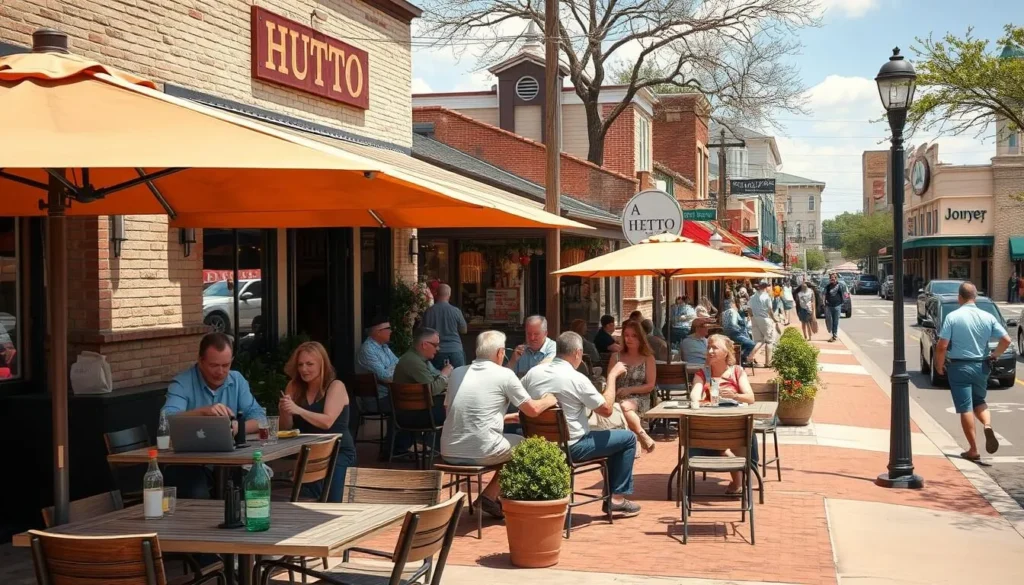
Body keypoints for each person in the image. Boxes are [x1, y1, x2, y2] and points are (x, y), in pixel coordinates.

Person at [441, 330, 558, 518]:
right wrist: (550, 399)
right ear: (500, 352)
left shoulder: (457, 373)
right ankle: (490, 495)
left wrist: (501, 418)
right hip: (480, 451)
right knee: (525, 445)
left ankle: (490, 496)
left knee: (509, 443)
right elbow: (533, 410)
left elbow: (451, 412)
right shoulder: (504, 374)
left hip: (448, 450)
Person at [523, 332, 641, 517]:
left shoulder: (532, 373)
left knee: (608, 436)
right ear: (578, 353)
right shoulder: (576, 378)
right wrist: (612, 377)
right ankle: (616, 498)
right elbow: (606, 409)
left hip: (538, 444)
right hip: (571, 447)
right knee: (627, 439)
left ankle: (612, 495)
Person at [162, 332, 266, 498]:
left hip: (230, 462)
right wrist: (203, 412)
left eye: (226, 365)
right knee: (197, 493)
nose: (220, 371)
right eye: (214, 365)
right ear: (200, 361)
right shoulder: (182, 383)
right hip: (187, 464)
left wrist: (237, 427)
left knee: (255, 488)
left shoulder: (237, 380)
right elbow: (166, 420)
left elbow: (261, 418)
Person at [933, 282, 1012, 461]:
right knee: (979, 401)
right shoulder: (987, 316)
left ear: (959, 297)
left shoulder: (953, 317)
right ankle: (987, 424)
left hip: (959, 366)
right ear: (975, 297)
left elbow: (942, 345)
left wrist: (939, 365)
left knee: (965, 407)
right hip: (981, 365)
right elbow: (1006, 340)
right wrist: (994, 355)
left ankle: (973, 449)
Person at [278, 341, 355, 503]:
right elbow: (286, 427)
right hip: (307, 452)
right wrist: (284, 411)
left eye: (309, 364)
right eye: (300, 364)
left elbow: (327, 421)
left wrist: (298, 410)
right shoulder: (294, 386)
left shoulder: (335, 386)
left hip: (337, 451)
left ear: (322, 364)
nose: (304, 369)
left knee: (333, 501)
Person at [689, 334, 757, 494]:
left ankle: (739, 477)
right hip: (709, 427)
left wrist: (733, 396)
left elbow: (750, 397)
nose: (710, 351)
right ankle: (738, 477)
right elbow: (695, 394)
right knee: (718, 440)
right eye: (709, 348)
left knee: (742, 433)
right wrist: (698, 397)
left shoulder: (737, 372)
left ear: (726, 352)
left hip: (733, 426)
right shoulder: (702, 374)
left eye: (715, 348)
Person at [603, 320, 658, 452]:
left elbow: (650, 385)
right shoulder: (616, 357)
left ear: (640, 337)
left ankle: (641, 435)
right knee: (619, 405)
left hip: (641, 397)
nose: (629, 339)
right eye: (626, 335)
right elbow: (610, 381)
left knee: (624, 406)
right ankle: (637, 437)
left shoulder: (648, 358)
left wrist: (629, 390)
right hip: (618, 396)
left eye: (633, 335)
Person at [356, 316, 406, 457]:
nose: (391, 331)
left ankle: (397, 446)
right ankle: (392, 449)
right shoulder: (368, 350)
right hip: (375, 399)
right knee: (406, 405)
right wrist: (397, 366)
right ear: (378, 332)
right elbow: (385, 377)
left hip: (389, 395)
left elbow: (399, 366)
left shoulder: (384, 347)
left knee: (409, 403)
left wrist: (398, 366)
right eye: (388, 329)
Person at [392, 327, 450, 430]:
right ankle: (439, 445)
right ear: (424, 345)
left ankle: (435, 445)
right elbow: (432, 389)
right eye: (435, 345)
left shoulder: (416, 358)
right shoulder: (413, 361)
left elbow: (433, 379)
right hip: (412, 415)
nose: (438, 349)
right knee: (458, 410)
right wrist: (444, 375)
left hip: (412, 411)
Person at [420, 283, 468, 370]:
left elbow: (423, 331)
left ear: (436, 294)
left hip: (436, 351)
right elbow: (464, 330)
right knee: (459, 378)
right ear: (449, 295)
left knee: (437, 378)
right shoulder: (456, 311)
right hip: (455, 349)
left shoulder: (429, 312)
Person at [747, 280, 779, 365]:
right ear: (765, 287)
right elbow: (770, 310)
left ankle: (750, 356)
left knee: (759, 340)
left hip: (755, 319)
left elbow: (749, 309)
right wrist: (774, 319)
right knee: (769, 341)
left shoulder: (752, 297)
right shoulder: (766, 297)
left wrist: (753, 317)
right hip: (764, 319)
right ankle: (768, 363)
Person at [722, 297, 756, 365]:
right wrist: (739, 329)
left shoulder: (724, 313)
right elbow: (733, 323)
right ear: (733, 304)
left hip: (727, 335)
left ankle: (739, 356)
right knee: (752, 344)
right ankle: (742, 358)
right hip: (736, 335)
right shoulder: (733, 311)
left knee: (742, 345)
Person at [822, 272, 847, 342]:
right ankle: (832, 333)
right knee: (829, 321)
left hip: (837, 306)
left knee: (835, 321)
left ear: (836, 279)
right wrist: (823, 303)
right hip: (829, 306)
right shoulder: (827, 287)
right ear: (829, 279)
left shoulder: (840, 286)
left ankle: (834, 335)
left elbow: (844, 294)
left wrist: (844, 302)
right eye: (831, 278)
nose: (832, 279)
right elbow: (823, 295)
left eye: (834, 278)